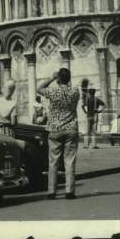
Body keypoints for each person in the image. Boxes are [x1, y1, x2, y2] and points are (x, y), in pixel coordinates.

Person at [37, 67, 80, 200]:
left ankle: (51, 191)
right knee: (70, 161)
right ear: (69, 79)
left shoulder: (53, 91)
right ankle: (69, 191)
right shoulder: (75, 91)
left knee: (53, 161)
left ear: (59, 78)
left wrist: (53, 78)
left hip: (55, 129)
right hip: (71, 129)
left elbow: (39, 89)